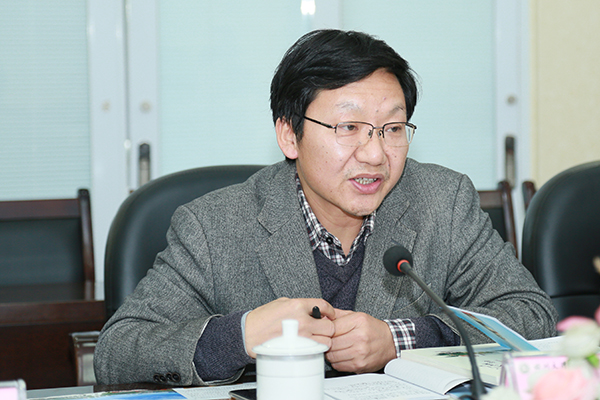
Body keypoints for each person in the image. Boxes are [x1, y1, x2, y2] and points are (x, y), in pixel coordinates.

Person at [94, 29, 557, 386]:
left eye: (393, 129)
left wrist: (400, 339)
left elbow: (531, 315)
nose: (375, 154)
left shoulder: (443, 200)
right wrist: (242, 335)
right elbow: (118, 351)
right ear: (289, 135)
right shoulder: (215, 226)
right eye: (348, 127)